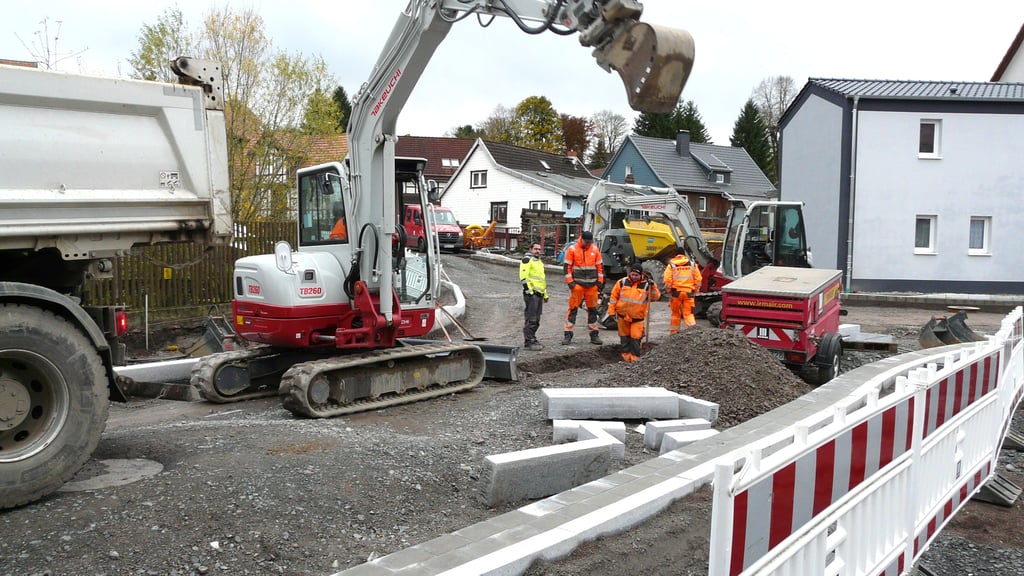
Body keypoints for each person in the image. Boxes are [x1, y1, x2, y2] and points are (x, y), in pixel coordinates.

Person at [607, 263, 661, 363]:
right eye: (632, 274)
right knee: (624, 340)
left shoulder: (646, 285)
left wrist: (653, 287)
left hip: (637, 319)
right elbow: (613, 298)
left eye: (636, 275)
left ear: (641, 275)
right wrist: (611, 312)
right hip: (622, 317)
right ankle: (626, 360)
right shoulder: (622, 282)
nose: (634, 277)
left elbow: (655, 297)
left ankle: (635, 361)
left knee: (636, 339)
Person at [562, 230, 604, 345]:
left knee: (593, 310)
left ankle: (594, 334)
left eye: (590, 242)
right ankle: (568, 334)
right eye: (587, 242)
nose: (589, 244)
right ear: (582, 239)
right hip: (578, 286)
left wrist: (599, 282)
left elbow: (600, 266)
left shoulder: (595, 250)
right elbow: (567, 267)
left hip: (592, 286)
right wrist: (571, 283)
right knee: (573, 309)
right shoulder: (572, 249)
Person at [663, 247, 702, 333]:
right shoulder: (692, 264)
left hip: (676, 293)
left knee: (675, 314)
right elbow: (698, 279)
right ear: (684, 254)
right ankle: (693, 332)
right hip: (689, 293)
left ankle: (674, 333)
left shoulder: (671, 265)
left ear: (675, 255)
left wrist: (670, 292)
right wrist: (695, 291)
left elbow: (667, 281)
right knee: (688, 314)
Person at [519, 242, 548, 351]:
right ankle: (528, 340)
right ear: (531, 249)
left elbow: (542, 280)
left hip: (539, 294)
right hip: (532, 295)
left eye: (539, 249)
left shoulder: (539, 262)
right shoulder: (527, 260)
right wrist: (529, 292)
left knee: (536, 319)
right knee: (531, 318)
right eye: (535, 249)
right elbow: (523, 277)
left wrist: (545, 294)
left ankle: (532, 338)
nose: (537, 251)